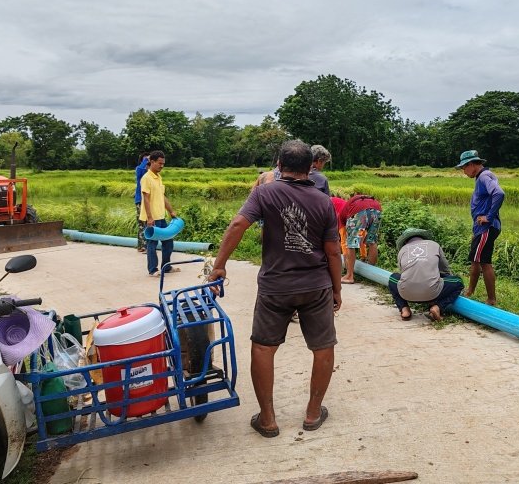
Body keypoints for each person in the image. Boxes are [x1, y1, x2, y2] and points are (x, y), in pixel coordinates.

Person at [208, 140, 342, 438]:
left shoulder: (264, 192)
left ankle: (268, 420)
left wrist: (219, 265)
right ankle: (311, 414)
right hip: (316, 285)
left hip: (275, 285)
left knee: (263, 347)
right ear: (311, 168)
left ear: (279, 166)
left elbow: (237, 225)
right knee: (323, 347)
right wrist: (337, 289)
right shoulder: (323, 201)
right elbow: (333, 251)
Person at [456, 150, 504, 306]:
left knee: (484, 262)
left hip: (487, 227)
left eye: (464, 167)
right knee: (476, 260)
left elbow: (499, 193)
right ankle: (470, 291)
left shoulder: (484, 176)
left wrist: (488, 217)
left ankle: (491, 300)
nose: (464, 171)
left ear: (471, 164)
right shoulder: (482, 177)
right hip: (481, 229)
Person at [388, 228, 463, 321]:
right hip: (433, 293)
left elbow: (404, 273)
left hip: (407, 294)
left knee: (392, 278)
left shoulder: (402, 250)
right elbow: (445, 269)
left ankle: (404, 309)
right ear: (423, 237)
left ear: (406, 241)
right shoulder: (434, 245)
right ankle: (438, 307)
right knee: (458, 281)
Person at [140, 150, 179, 277]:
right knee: (152, 243)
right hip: (152, 218)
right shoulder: (146, 178)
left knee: (168, 242)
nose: (162, 166)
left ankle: (166, 267)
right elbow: (145, 198)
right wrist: (150, 217)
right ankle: (153, 270)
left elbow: (162, 197)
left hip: (161, 216)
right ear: (152, 162)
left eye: (163, 164)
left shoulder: (158, 177)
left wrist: (171, 211)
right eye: (159, 163)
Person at [339, 192, 381, 283]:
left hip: (359, 209)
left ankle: (349, 276)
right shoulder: (350, 204)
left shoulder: (340, 218)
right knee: (372, 241)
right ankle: (371, 273)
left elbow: (344, 239)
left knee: (351, 244)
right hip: (376, 207)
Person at [134, 152, 149, 252]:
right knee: (142, 223)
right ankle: (142, 246)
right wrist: (146, 159)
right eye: (145, 161)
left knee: (149, 222)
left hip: (149, 200)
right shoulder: (139, 170)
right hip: (140, 200)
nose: (147, 163)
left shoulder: (151, 174)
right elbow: (140, 169)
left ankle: (147, 245)